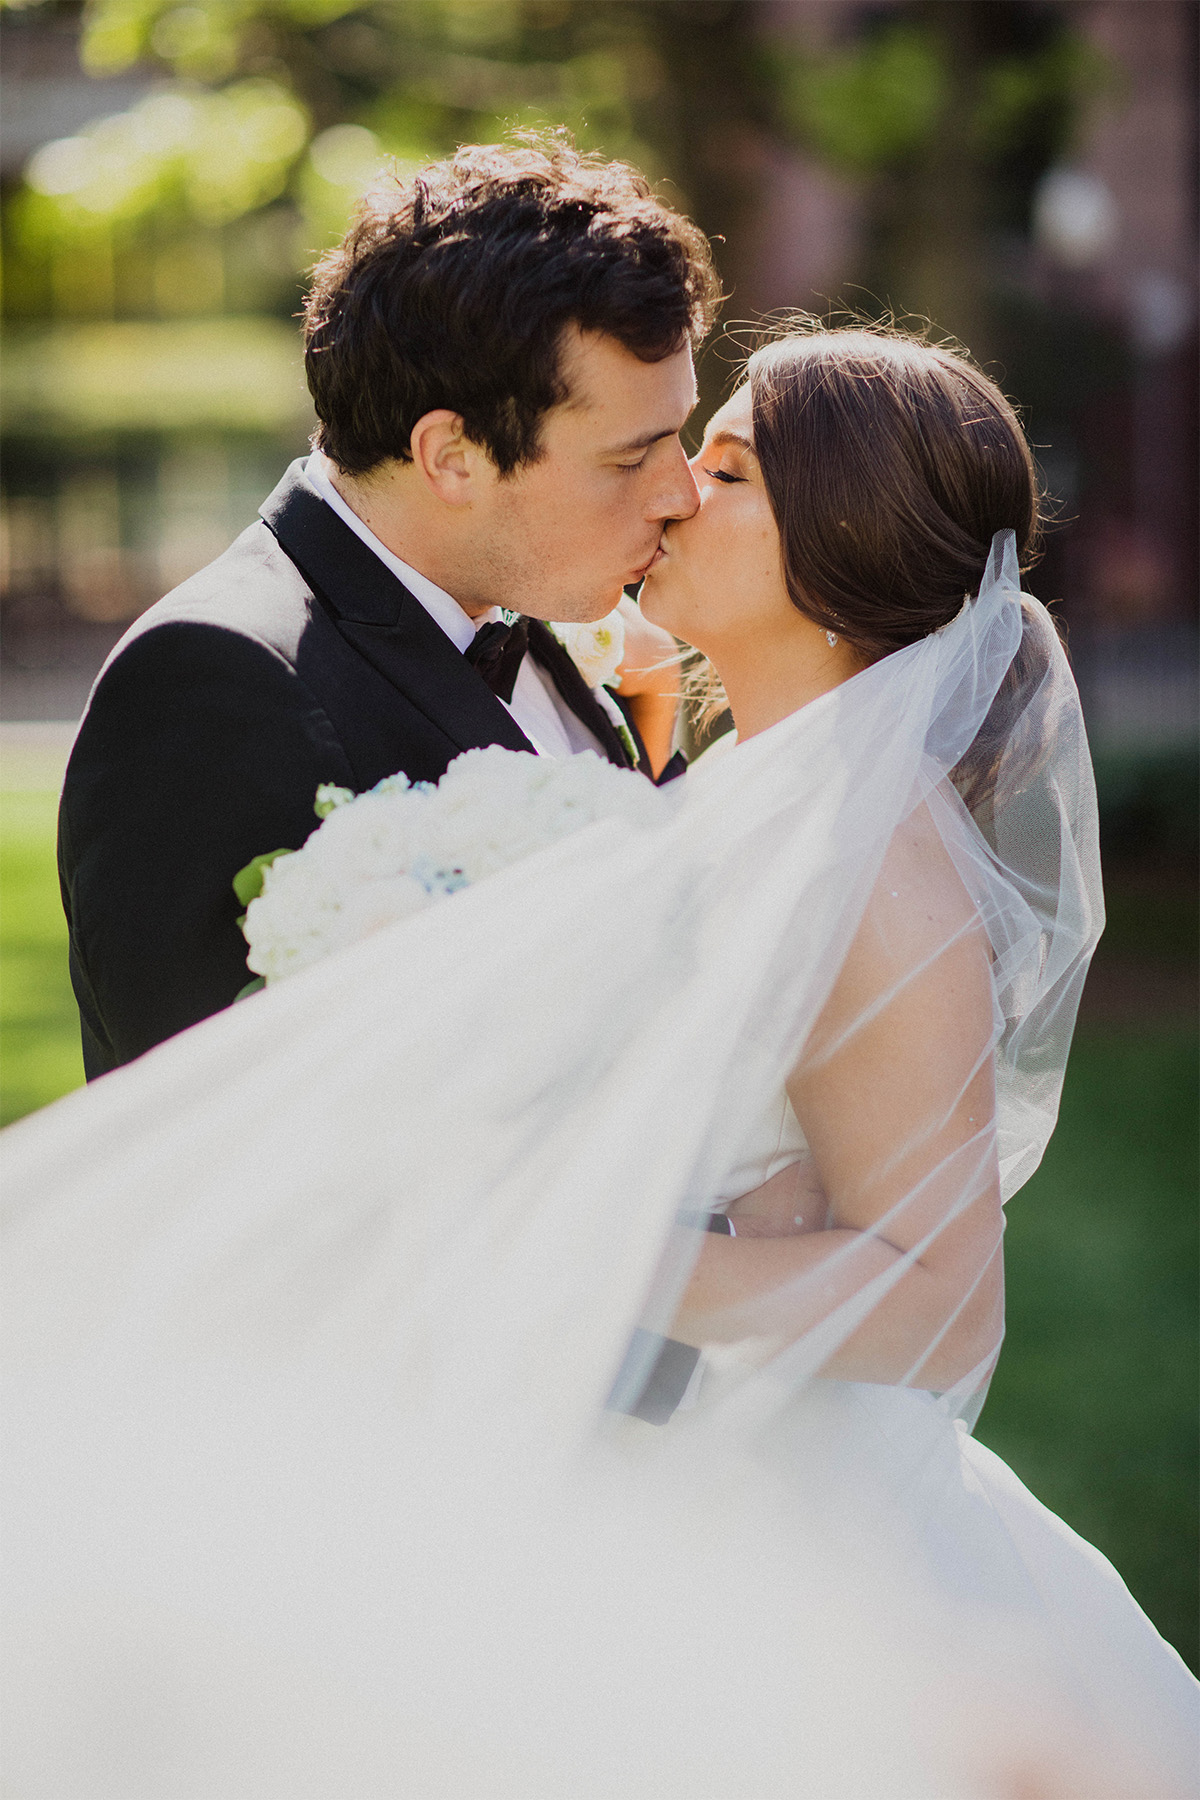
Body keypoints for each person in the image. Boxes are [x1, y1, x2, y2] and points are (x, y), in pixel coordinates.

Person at [6, 325, 1197, 1799]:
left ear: (842, 537)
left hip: (799, 1530)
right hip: (636, 1470)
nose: (678, 498)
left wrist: (576, 1247)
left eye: (727, 467)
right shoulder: (743, 795)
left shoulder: (878, 858)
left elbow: (942, 1306)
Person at [58, 132, 716, 1079]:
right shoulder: (213, 682)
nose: (680, 492)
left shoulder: (529, 615)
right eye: (628, 458)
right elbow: (201, 1140)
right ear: (451, 456)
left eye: (680, 438)